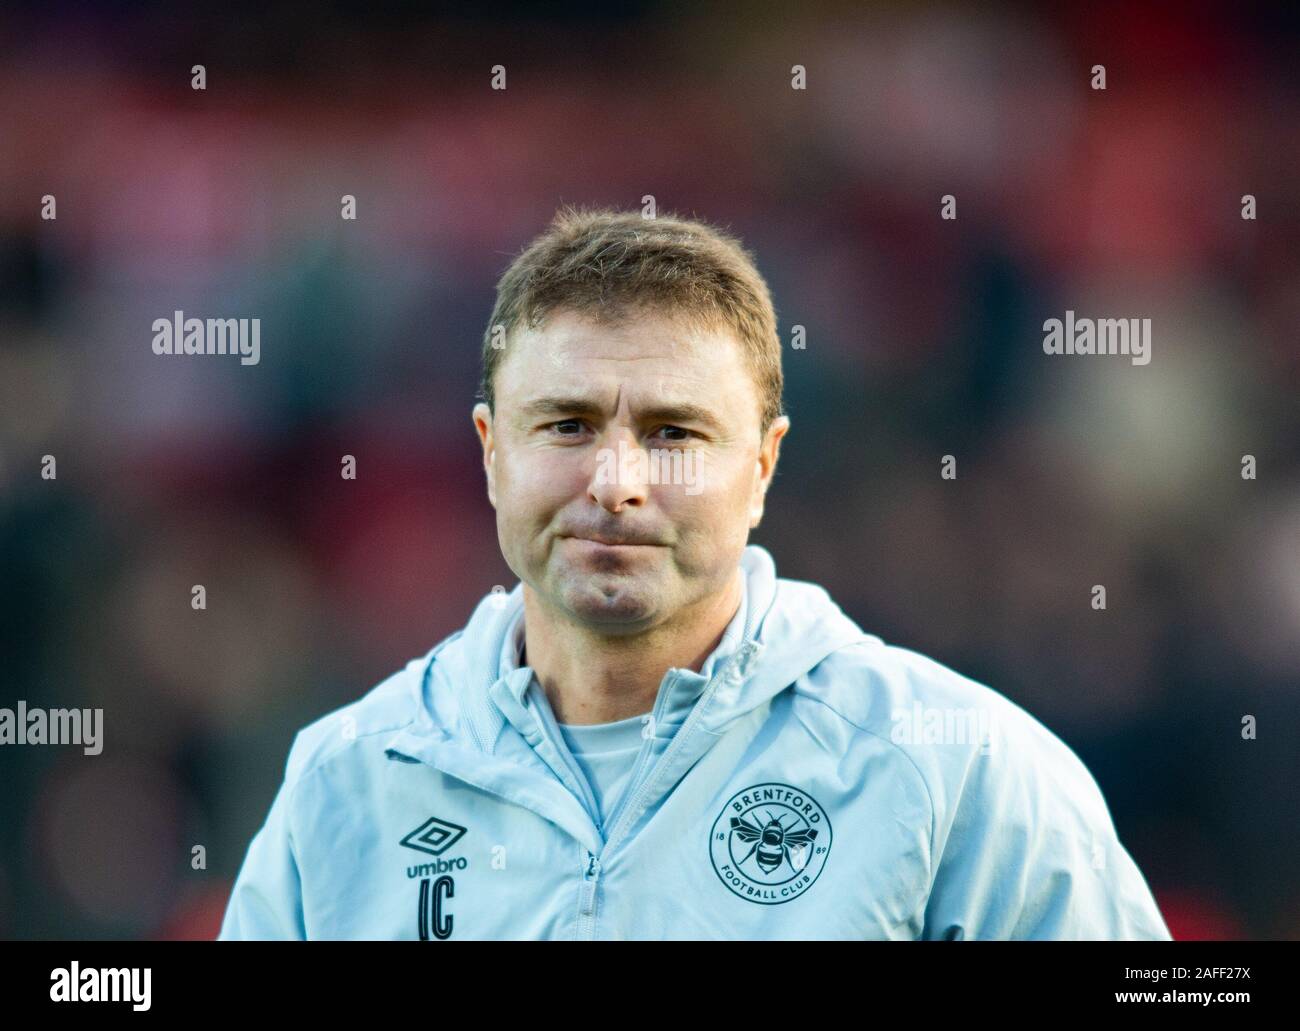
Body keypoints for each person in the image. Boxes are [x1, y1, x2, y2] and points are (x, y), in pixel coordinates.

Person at [218, 206, 1171, 940]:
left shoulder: (960, 768)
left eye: (674, 433)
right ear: (490, 451)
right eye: (567, 425)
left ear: (762, 466)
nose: (617, 482)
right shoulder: (347, 783)